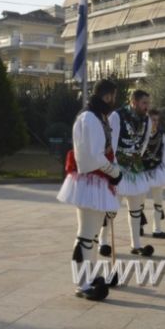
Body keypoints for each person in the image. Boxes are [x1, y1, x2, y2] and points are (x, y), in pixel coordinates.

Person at [57, 79, 121, 301]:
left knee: (91, 235)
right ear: (105, 96)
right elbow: (93, 157)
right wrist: (114, 172)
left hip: (98, 180)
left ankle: (90, 276)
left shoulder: (98, 116)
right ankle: (82, 284)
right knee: (86, 234)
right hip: (91, 180)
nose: (113, 101)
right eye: (111, 96)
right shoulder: (90, 118)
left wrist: (113, 172)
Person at [99, 89, 154, 257]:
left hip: (136, 169)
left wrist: (136, 157)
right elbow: (112, 143)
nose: (147, 107)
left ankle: (136, 244)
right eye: (144, 103)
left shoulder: (147, 120)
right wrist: (114, 169)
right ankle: (103, 240)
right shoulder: (117, 116)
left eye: (148, 103)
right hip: (119, 167)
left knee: (136, 208)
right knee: (112, 208)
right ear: (134, 102)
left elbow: (144, 143)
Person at [141, 109, 165, 239]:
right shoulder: (141, 134)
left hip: (156, 171)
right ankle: (139, 227)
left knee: (158, 201)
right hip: (142, 172)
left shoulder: (161, 135)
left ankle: (157, 228)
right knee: (139, 202)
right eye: (152, 120)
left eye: (156, 120)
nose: (155, 123)